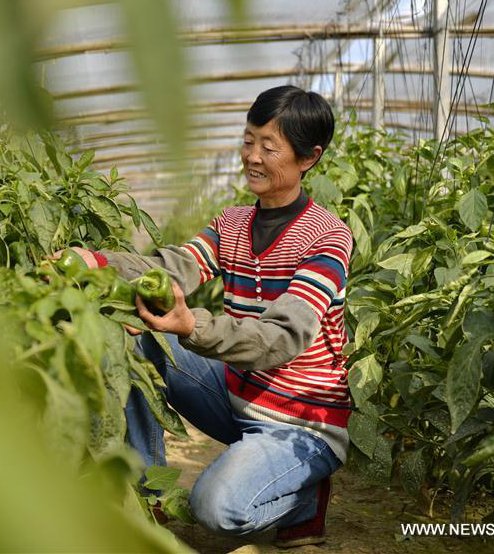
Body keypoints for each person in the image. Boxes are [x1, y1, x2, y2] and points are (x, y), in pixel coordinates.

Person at [61, 85, 353, 548]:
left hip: (301, 420)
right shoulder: (232, 224)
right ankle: (145, 496)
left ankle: (303, 501)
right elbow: (172, 266)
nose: (252, 156)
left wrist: (192, 325)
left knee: (214, 509)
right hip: (237, 395)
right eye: (247, 140)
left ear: (308, 158)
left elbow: (281, 339)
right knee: (133, 336)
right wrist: (96, 261)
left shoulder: (327, 238)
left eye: (268, 146)